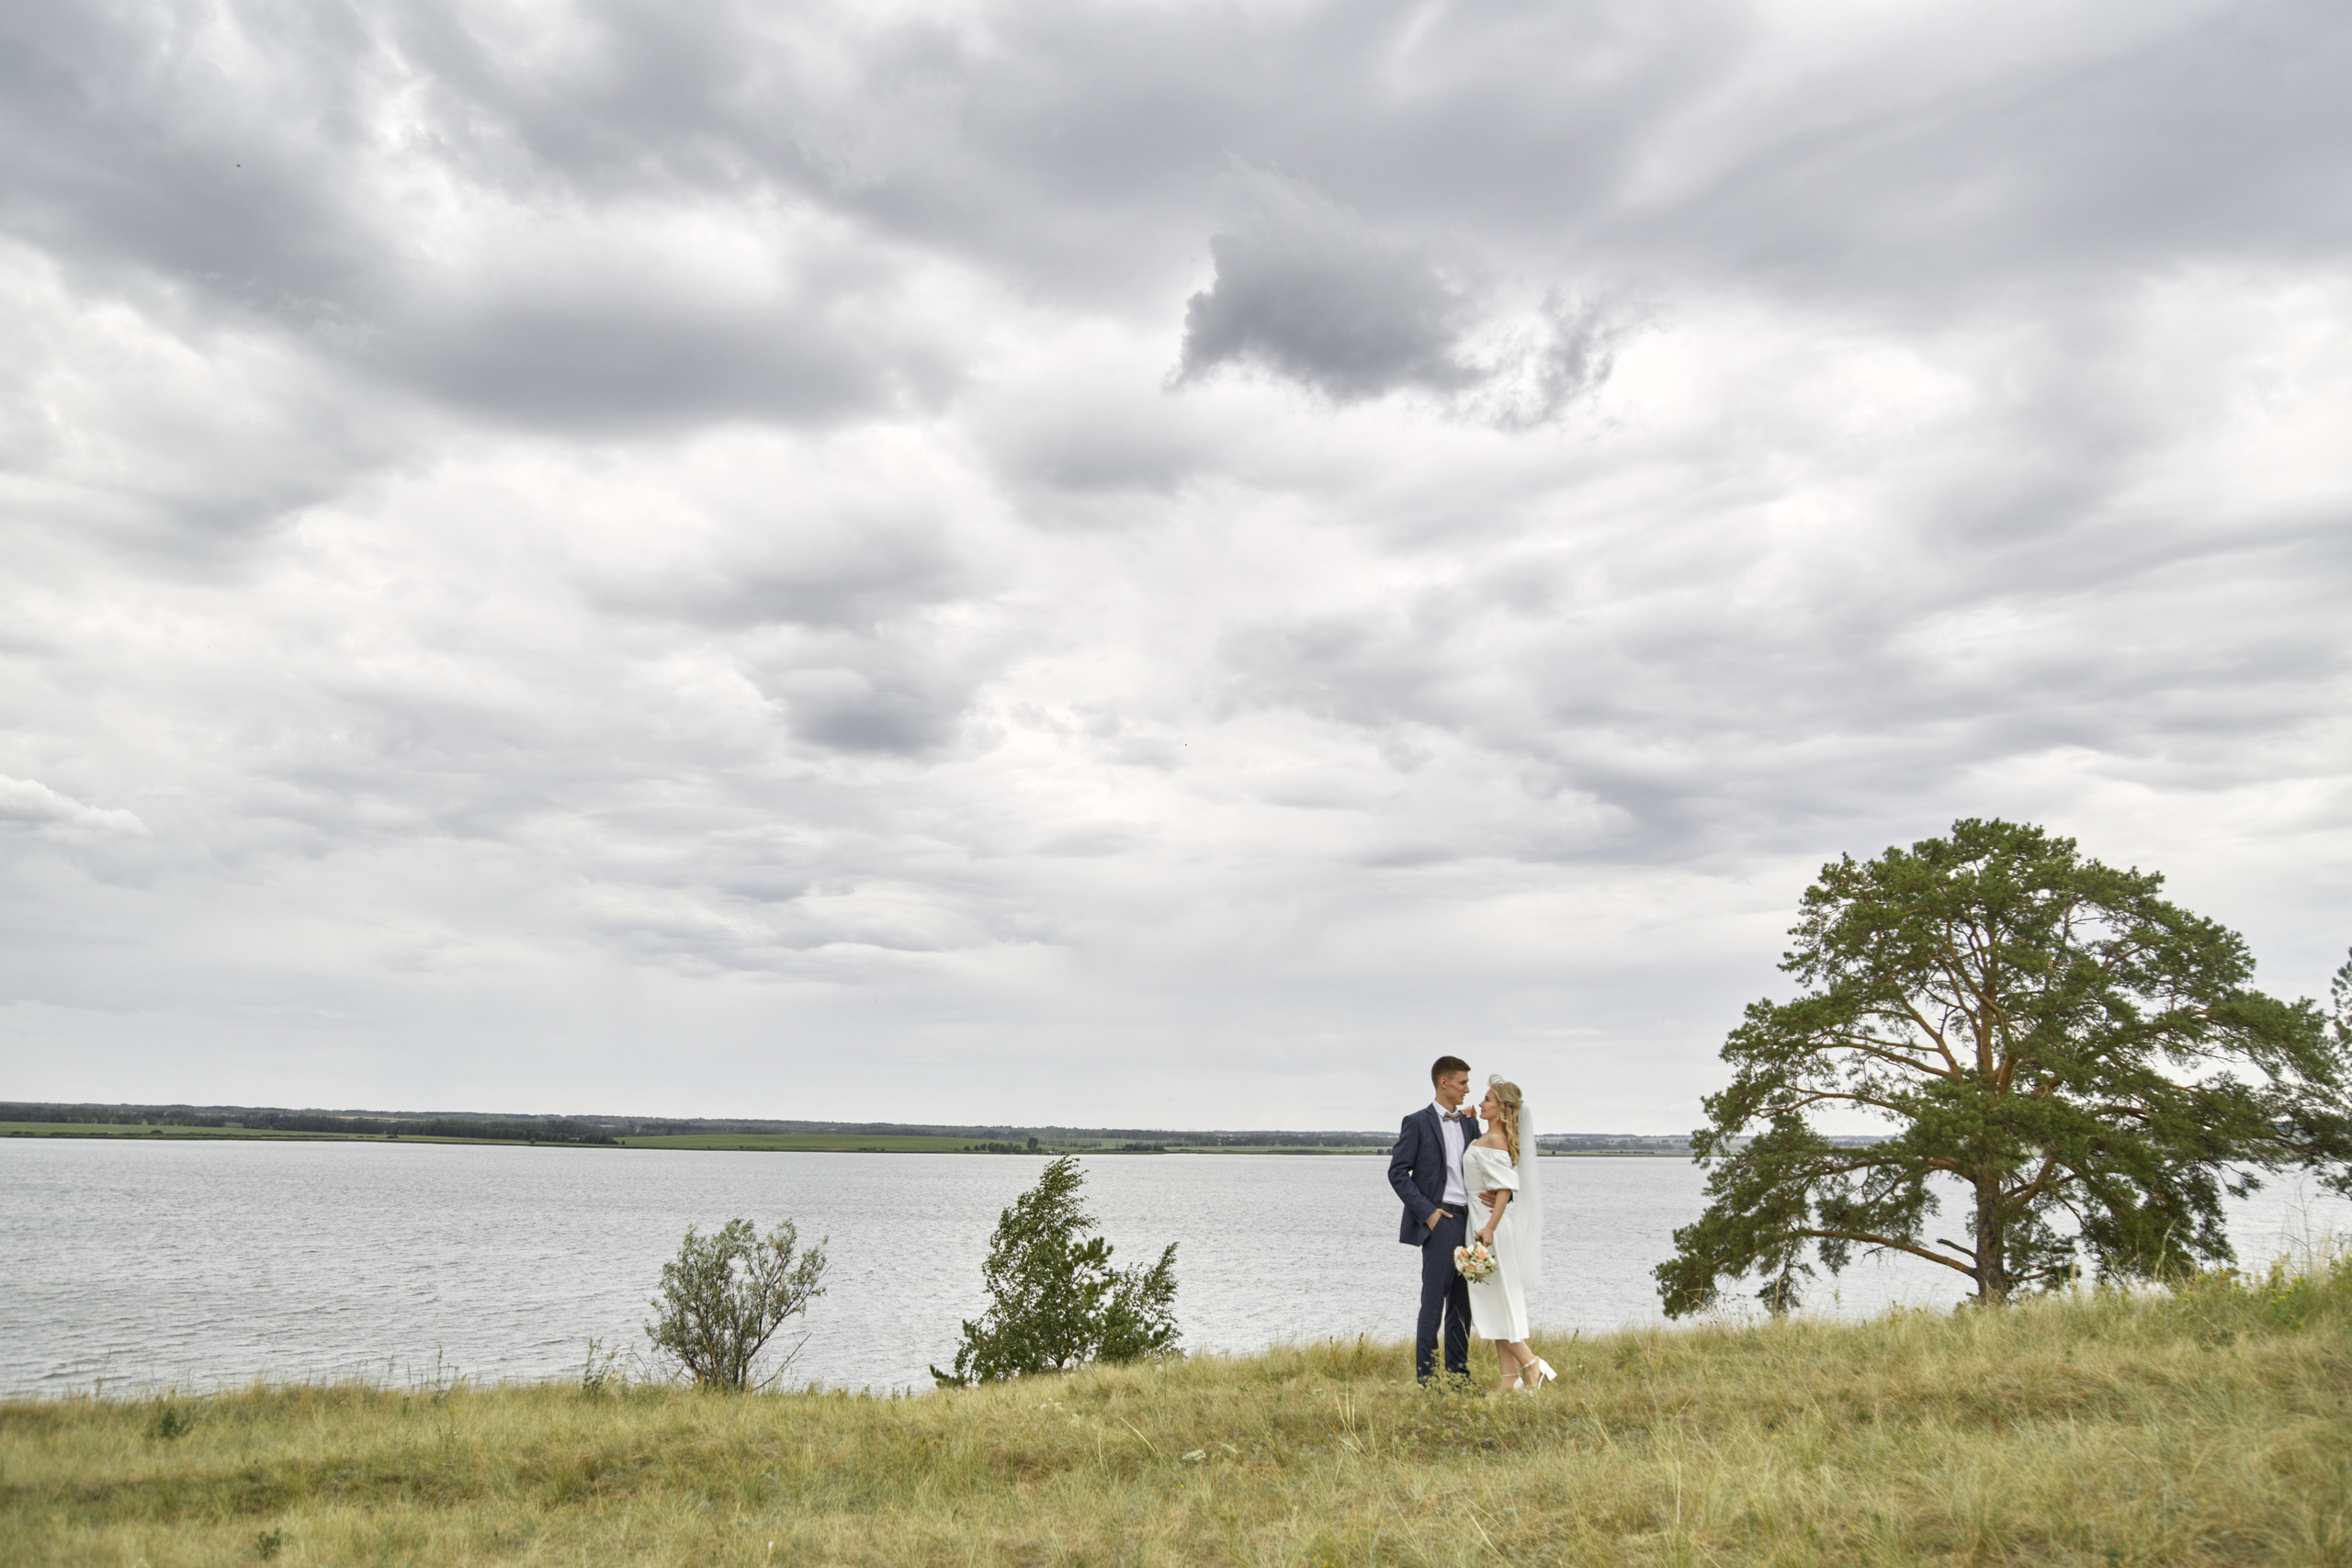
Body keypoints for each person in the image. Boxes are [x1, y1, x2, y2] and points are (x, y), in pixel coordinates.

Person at [1387, 1055, 1481, 1384]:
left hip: (1469, 1223)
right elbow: (1397, 1173)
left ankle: (1459, 1376)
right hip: (1440, 1223)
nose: (1467, 1089)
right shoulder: (1417, 1122)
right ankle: (1428, 1380)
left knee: (1462, 1307)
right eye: (1462, 1082)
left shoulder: (1470, 1123)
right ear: (1444, 1083)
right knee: (1432, 1305)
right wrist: (1427, 1213)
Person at [1464, 1076, 1555, 1392]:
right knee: (1494, 1303)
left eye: (1488, 1099)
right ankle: (1508, 1378)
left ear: (1501, 1109)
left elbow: (1504, 1188)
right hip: (1479, 1221)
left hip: (1490, 1229)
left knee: (1499, 1301)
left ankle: (1532, 1367)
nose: (1482, 1102)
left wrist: (1489, 1227)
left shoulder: (1495, 1141)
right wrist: (1471, 1124)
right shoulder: (1487, 1137)